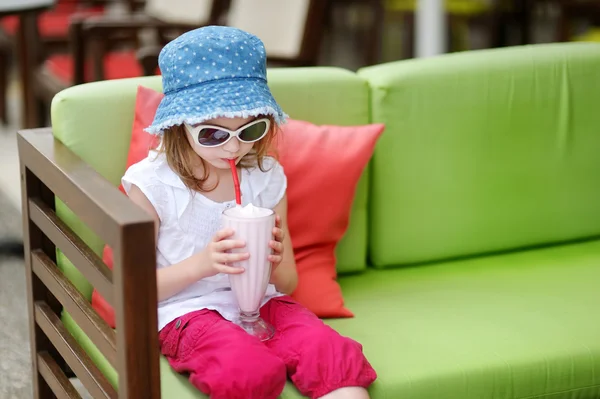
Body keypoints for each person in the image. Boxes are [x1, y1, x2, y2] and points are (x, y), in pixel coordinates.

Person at [122, 26, 377, 399]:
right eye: (213, 134)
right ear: (179, 126)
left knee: (332, 356)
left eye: (251, 129)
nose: (234, 147)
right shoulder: (153, 184)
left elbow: (287, 283)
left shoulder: (265, 176)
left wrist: (271, 261)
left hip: (264, 303)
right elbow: (135, 289)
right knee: (246, 372)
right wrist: (206, 263)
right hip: (186, 311)